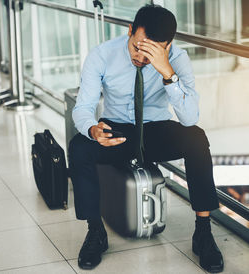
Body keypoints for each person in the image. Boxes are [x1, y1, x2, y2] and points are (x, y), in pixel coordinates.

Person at [69, 4, 224, 273]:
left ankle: (203, 232)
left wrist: (167, 73)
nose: (141, 57)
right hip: (117, 129)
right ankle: (95, 231)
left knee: (197, 138)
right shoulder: (102, 55)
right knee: (79, 147)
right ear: (129, 31)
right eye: (137, 47)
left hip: (156, 129)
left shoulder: (178, 58)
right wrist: (93, 129)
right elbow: (83, 108)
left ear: (167, 45)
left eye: (150, 51)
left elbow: (189, 118)